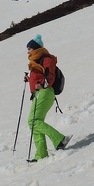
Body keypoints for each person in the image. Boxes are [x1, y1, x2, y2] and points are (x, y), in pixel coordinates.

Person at [25, 34, 70, 162]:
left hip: (46, 92)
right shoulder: (36, 61)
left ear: (36, 48)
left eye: (29, 49)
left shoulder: (46, 58)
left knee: (33, 121)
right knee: (34, 123)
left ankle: (60, 139)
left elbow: (49, 75)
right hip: (39, 94)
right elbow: (39, 78)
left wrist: (42, 85)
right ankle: (41, 155)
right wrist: (29, 80)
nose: (28, 51)